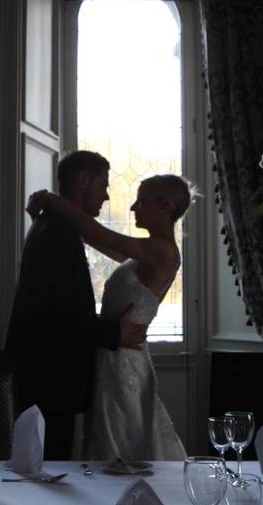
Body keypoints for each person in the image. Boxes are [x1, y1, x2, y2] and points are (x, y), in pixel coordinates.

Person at [26, 173, 197, 461]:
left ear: (164, 208)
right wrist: (45, 220)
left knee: (123, 443)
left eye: (141, 201)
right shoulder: (144, 253)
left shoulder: (162, 251)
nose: (133, 207)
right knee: (112, 440)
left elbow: (95, 233)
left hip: (124, 363)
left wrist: (53, 200)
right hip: (111, 356)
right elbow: (87, 236)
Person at [4, 150, 148, 460]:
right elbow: (59, 315)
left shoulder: (51, 225)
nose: (107, 196)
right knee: (48, 472)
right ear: (83, 180)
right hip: (51, 380)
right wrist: (115, 333)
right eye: (103, 185)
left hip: (44, 376)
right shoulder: (58, 232)